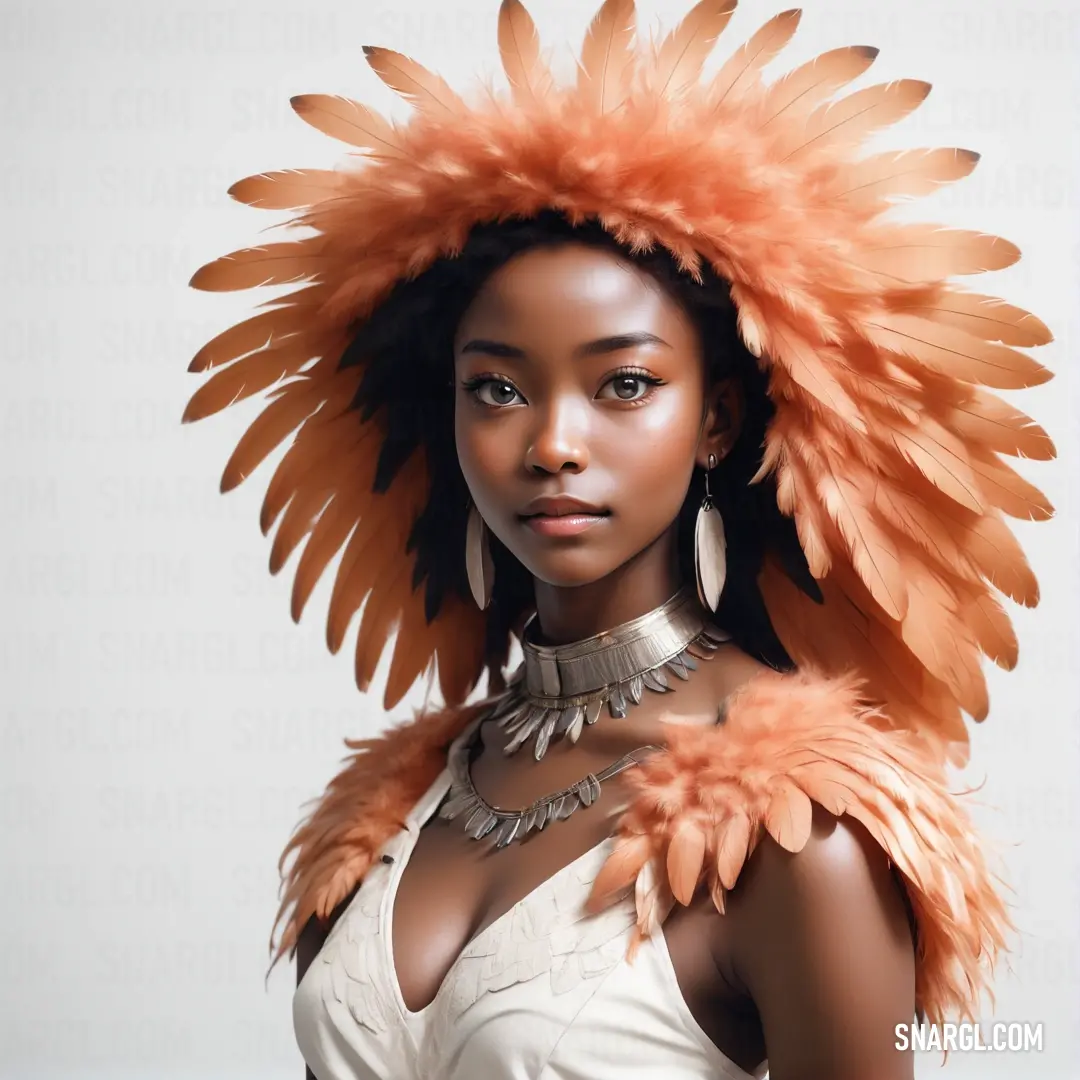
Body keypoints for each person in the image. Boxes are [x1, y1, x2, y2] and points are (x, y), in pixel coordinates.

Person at [185, 2, 1055, 1077]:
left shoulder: (795, 831)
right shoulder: (397, 807)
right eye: (496, 388)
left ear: (719, 421)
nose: (553, 443)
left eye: (624, 384)